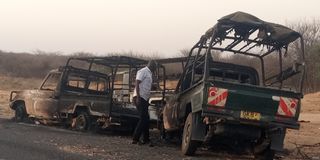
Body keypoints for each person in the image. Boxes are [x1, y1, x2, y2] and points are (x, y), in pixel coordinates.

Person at [132, 60, 157, 145]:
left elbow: (146, 85)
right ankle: (135, 138)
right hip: (140, 97)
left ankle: (146, 139)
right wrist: (138, 97)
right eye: (154, 66)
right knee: (143, 118)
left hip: (145, 99)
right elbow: (137, 83)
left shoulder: (149, 73)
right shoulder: (143, 71)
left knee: (146, 119)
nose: (155, 68)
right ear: (151, 65)